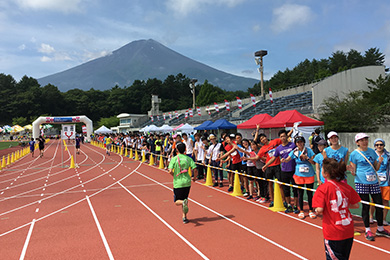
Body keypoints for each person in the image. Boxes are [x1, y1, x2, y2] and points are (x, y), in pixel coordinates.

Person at [313, 158, 361, 260]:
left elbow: (320, 209)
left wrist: (316, 211)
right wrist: (342, 205)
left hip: (333, 231)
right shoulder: (347, 187)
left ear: (325, 174)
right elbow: (356, 205)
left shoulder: (322, 189)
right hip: (348, 230)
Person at [348, 133, 390, 241]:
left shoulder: (372, 151)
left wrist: (380, 163)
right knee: (366, 206)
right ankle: (368, 229)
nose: (364, 142)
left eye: (366, 139)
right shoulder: (354, 154)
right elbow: (353, 172)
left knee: (379, 204)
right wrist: (352, 171)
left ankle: (380, 228)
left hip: (374, 182)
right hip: (361, 183)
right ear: (357, 142)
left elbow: (376, 167)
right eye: (362, 140)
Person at [262, 129, 298, 213]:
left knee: (295, 189)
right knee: (286, 189)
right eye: (281, 136)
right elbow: (273, 158)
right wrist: (266, 165)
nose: (283, 138)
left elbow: (298, 153)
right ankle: (289, 205)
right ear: (280, 138)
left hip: (294, 170)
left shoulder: (292, 145)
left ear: (287, 136)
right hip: (284, 171)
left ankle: (295, 206)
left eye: (284, 136)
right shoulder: (278, 148)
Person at [282, 136, 316, 219]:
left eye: (301, 142)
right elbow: (288, 159)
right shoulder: (295, 151)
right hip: (299, 174)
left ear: (303, 142)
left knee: (309, 193)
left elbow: (314, 162)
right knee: (300, 193)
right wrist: (284, 160)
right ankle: (301, 210)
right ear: (296, 144)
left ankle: (311, 210)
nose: (299, 144)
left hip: (309, 174)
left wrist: (307, 158)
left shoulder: (309, 150)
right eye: (298, 142)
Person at [168, 142, 198, 224]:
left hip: (178, 183)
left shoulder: (174, 159)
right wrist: (194, 177)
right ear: (185, 149)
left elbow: (170, 171)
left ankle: (183, 204)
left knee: (177, 202)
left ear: (177, 150)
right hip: (187, 182)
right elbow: (195, 169)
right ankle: (184, 217)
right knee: (185, 199)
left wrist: (174, 175)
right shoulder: (188, 158)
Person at [369, 138, 390, 226]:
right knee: (373, 200)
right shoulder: (372, 155)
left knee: (385, 201)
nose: (379, 146)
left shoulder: (388, 155)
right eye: (377, 145)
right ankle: (371, 217)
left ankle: (384, 219)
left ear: (384, 145)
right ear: (375, 146)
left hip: (386, 181)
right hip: (375, 181)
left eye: (381, 144)